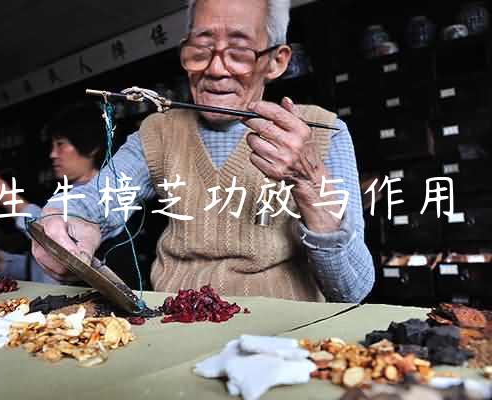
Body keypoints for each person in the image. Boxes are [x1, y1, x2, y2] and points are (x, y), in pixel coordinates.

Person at [32, 0, 375, 302]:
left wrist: (308, 182)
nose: (215, 69)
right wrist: (64, 218)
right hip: (176, 327)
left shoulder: (322, 131)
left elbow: (353, 288)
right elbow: (98, 199)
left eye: (239, 52)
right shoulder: (159, 130)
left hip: (281, 340)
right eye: (200, 49)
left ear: (276, 61)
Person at [0, 103, 106, 283]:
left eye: (61, 144)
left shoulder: (105, 197)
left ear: (92, 147)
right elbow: (45, 270)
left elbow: (61, 247)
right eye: (52, 145)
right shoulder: (64, 195)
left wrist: (7, 197)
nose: (53, 154)